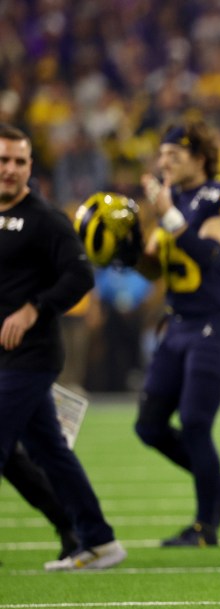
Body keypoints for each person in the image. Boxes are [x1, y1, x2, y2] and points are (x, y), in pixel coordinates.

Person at [0, 123, 126, 571]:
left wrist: (35, 307)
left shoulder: (45, 219)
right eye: (4, 160)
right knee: (46, 452)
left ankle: (88, 536)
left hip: (31, 359)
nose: (11, 169)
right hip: (3, 359)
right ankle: (96, 539)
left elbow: (80, 276)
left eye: (20, 161)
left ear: (31, 166)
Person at [134, 121, 220, 547]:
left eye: (175, 156)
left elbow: (211, 257)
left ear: (200, 158)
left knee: (196, 423)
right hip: (177, 324)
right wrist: (122, 246)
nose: (165, 163)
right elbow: (151, 267)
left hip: (215, 324)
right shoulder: (172, 200)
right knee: (148, 426)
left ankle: (205, 526)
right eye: (162, 155)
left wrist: (167, 214)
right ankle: (218, 485)